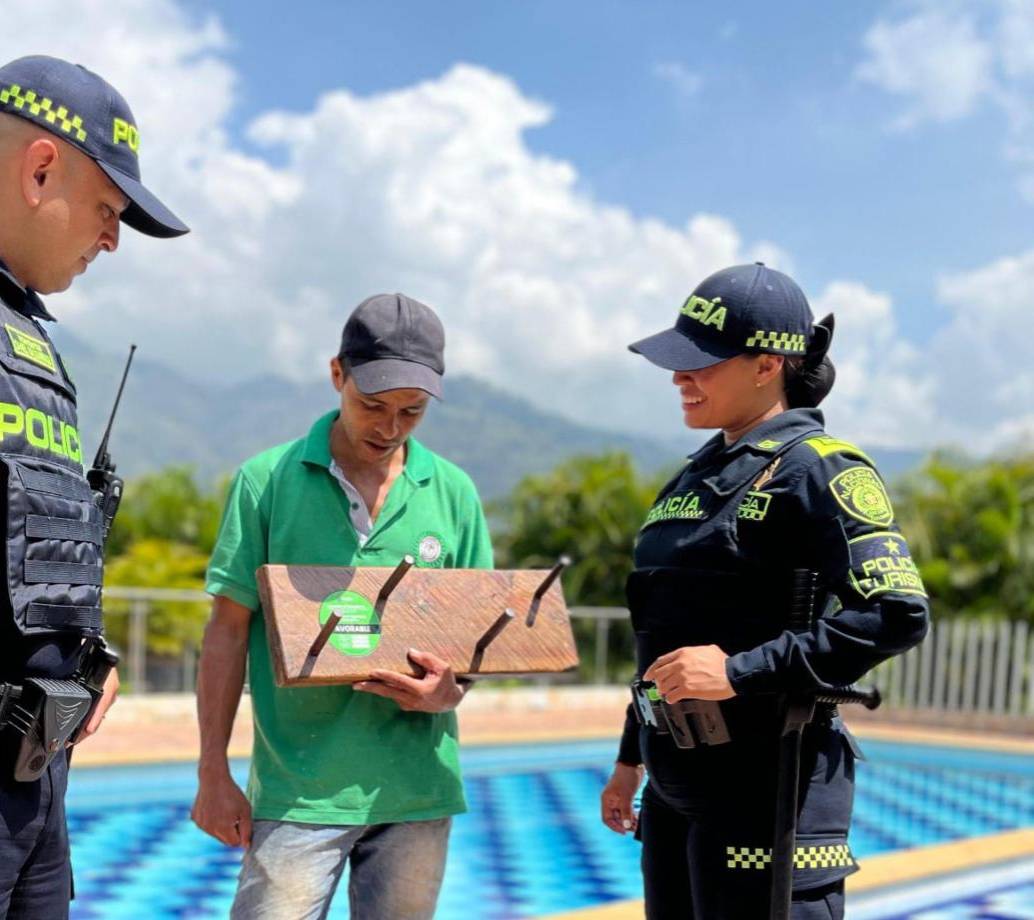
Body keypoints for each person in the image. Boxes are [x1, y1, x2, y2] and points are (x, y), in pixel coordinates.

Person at [600, 263, 929, 919]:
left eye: (701, 362)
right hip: (675, 789)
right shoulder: (692, 478)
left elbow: (896, 614)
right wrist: (630, 758)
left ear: (765, 365)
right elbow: (662, 632)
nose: (679, 378)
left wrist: (737, 671)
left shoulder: (819, 468)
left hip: (772, 793)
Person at [192, 292, 494, 920]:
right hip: (300, 791)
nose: (388, 428)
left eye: (411, 412)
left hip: (417, 790)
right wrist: (212, 770)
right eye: (371, 405)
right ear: (337, 374)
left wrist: (451, 691)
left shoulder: (455, 493)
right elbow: (225, 632)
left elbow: (476, 638)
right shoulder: (266, 481)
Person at [0, 55, 188, 918]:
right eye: (107, 211)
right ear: (42, 169)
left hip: (36, 772)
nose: (111, 239)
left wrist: (85, 646)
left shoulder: (31, 339)